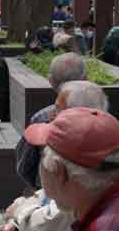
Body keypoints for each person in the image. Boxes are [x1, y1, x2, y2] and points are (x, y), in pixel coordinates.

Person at [16, 53, 87, 188]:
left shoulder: (41, 118)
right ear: (86, 78)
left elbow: (24, 167)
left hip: (52, 193)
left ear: (51, 81)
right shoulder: (103, 116)